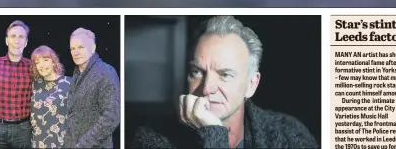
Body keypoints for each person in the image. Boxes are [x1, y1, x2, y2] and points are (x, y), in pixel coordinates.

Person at [131, 16, 318, 148]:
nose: (206, 88)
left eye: (225, 75)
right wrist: (213, 133)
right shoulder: (152, 138)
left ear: (251, 84)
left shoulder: (289, 134)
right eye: (197, 72)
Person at [63, 28, 120, 148]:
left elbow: (112, 116)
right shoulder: (77, 74)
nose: (76, 52)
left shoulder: (105, 72)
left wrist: (83, 144)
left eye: (81, 47)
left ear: (93, 48)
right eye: (72, 49)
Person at [0, 20, 33, 148]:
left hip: (23, 129)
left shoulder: (32, 66)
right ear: (7, 40)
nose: (17, 41)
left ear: (26, 42)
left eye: (21, 37)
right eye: (13, 36)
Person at [30, 45, 72, 148]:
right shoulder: (34, 85)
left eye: (45, 60)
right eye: (37, 62)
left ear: (53, 61)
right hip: (38, 142)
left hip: (61, 143)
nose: (41, 65)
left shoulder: (70, 83)